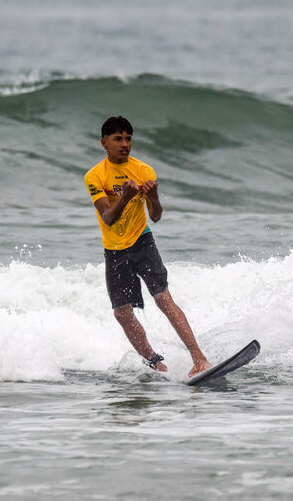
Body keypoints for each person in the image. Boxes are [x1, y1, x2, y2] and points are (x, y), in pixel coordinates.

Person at [84, 116, 212, 377]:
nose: (124, 144)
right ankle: (156, 364)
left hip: (143, 242)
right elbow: (108, 217)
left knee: (164, 299)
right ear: (104, 143)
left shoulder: (144, 170)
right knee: (122, 313)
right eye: (118, 139)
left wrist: (152, 197)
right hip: (115, 250)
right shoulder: (95, 176)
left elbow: (155, 216)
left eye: (128, 139)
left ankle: (200, 359)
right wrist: (126, 197)